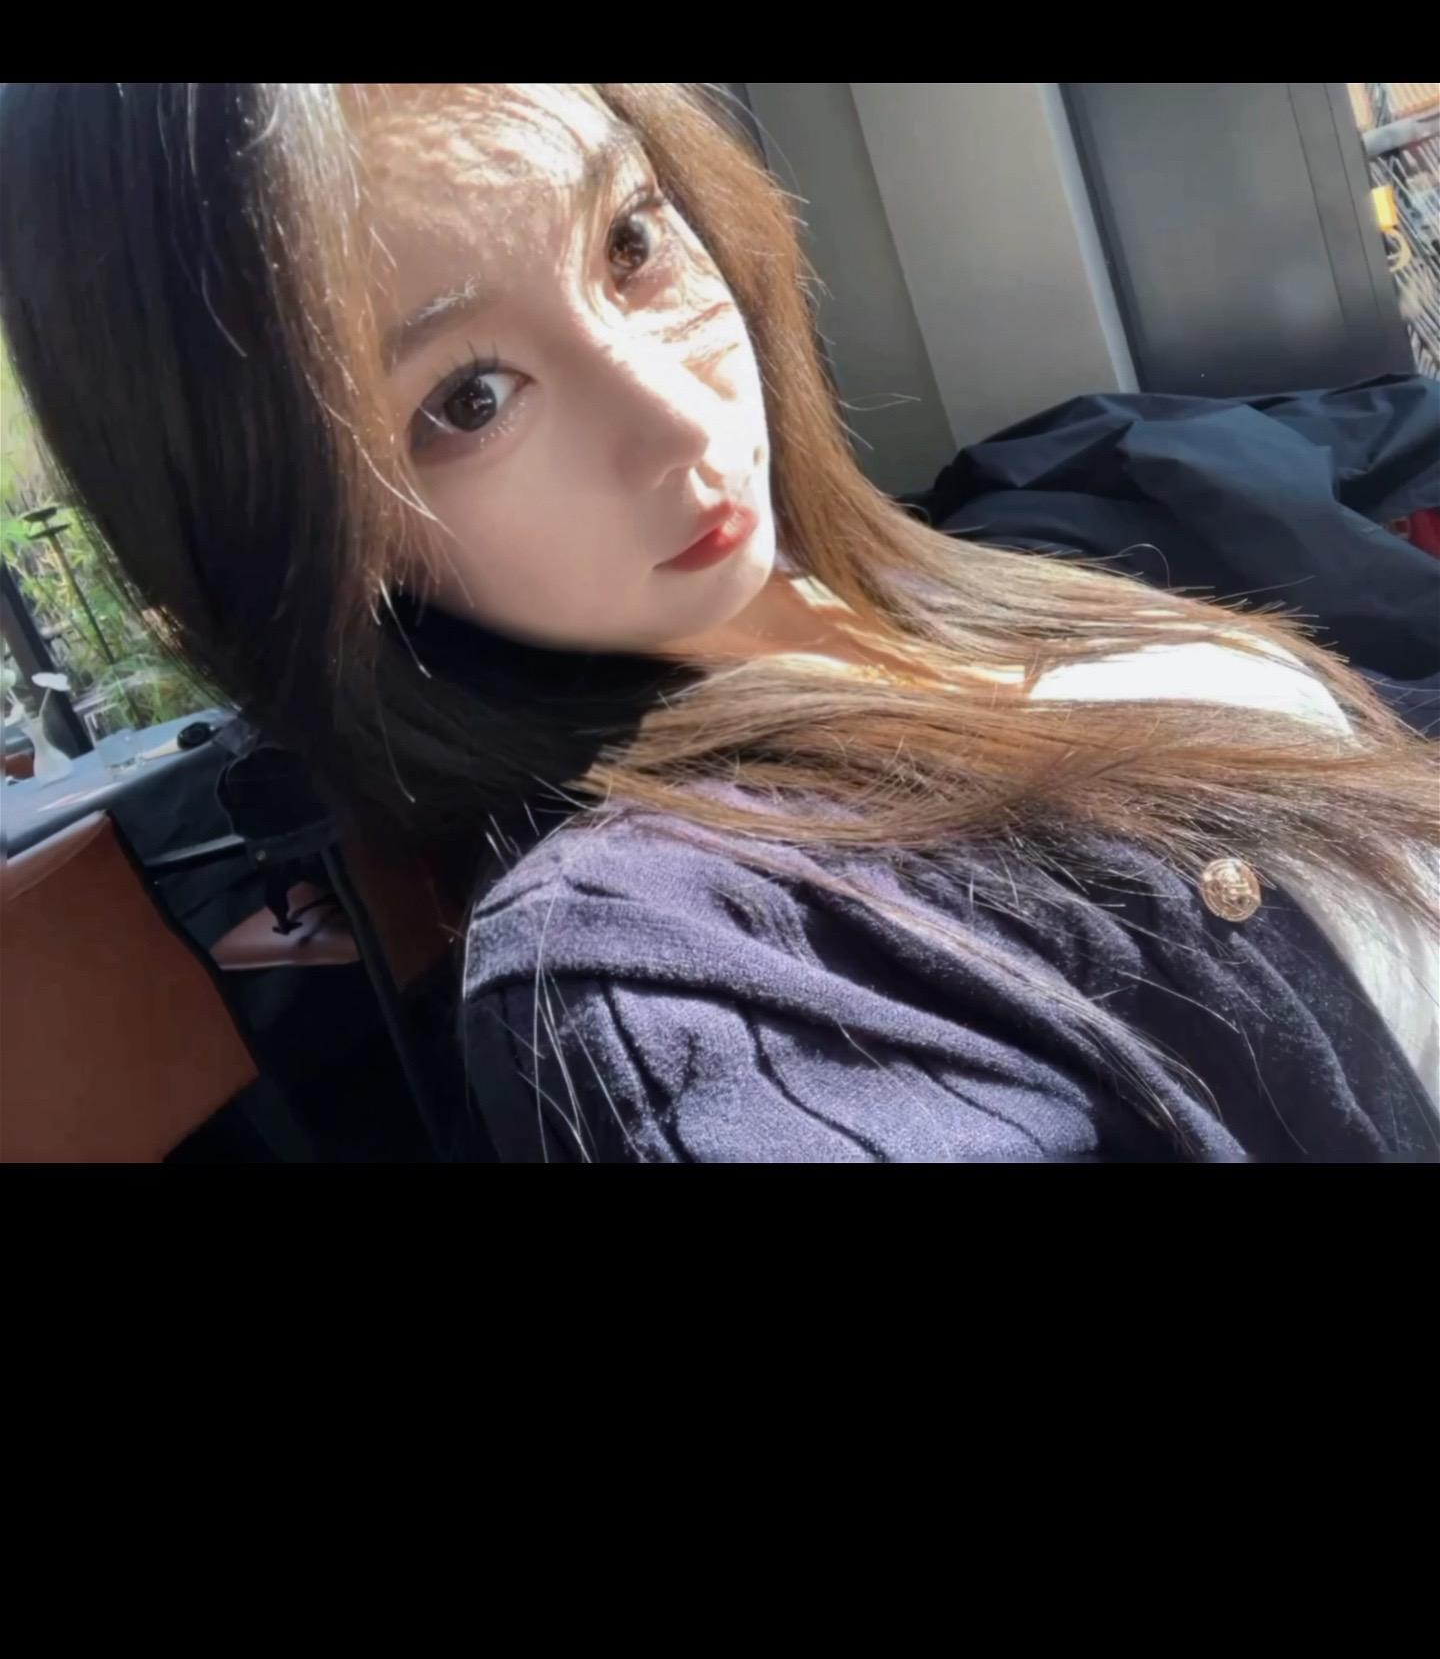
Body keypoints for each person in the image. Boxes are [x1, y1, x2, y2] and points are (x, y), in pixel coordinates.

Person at [1, 81, 1435, 1163]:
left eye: (628, 241)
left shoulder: (945, 564)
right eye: (469, 400)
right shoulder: (662, 960)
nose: (680, 422)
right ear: (312, 536)